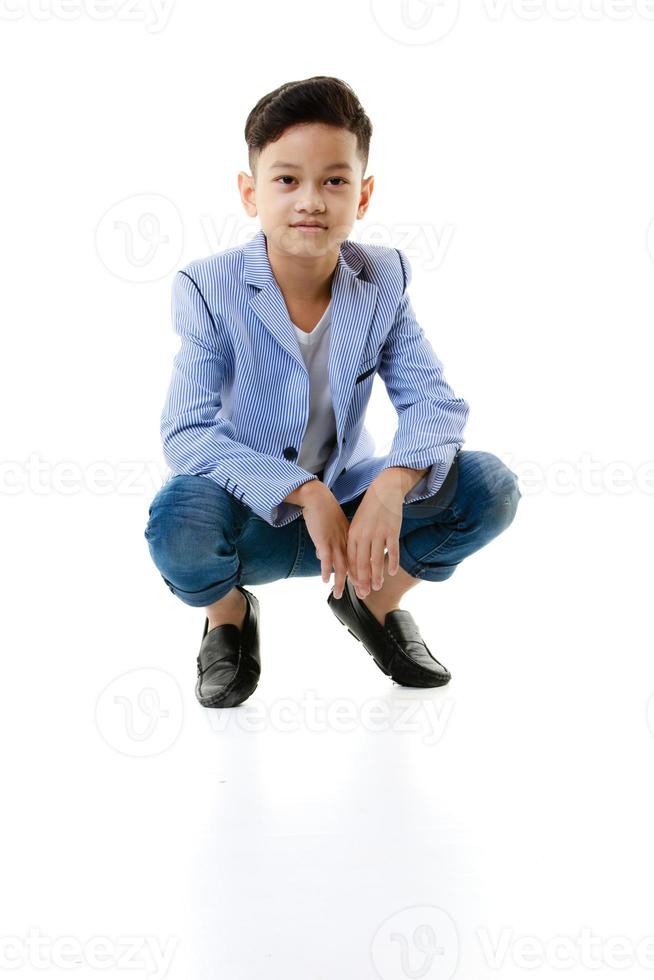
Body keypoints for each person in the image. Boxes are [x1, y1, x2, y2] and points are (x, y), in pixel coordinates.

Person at [143, 75, 521, 709]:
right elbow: (187, 432)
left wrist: (393, 483)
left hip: (353, 515)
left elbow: (434, 404)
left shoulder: (381, 280)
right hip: (252, 514)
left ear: (363, 195)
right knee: (178, 517)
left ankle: (372, 600)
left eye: (335, 181)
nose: (310, 200)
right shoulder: (209, 287)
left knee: (489, 485)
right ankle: (229, 617)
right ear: (250, 192)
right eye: (286, 179)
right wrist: (299, 488)